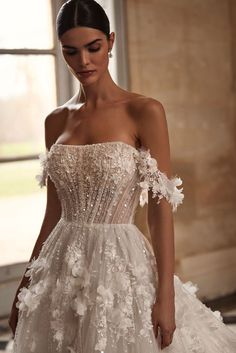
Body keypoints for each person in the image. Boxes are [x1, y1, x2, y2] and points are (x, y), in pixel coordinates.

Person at [8, 0, 236, 352]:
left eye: (93, 48)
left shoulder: (143, 111)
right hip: (60, 269)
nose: (83, 61)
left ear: (110, 42)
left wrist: (166, 297)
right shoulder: (55, 121)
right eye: (71, 52)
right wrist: (24, 288)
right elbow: (53, 214)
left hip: (120, 266)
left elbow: (160, 211)